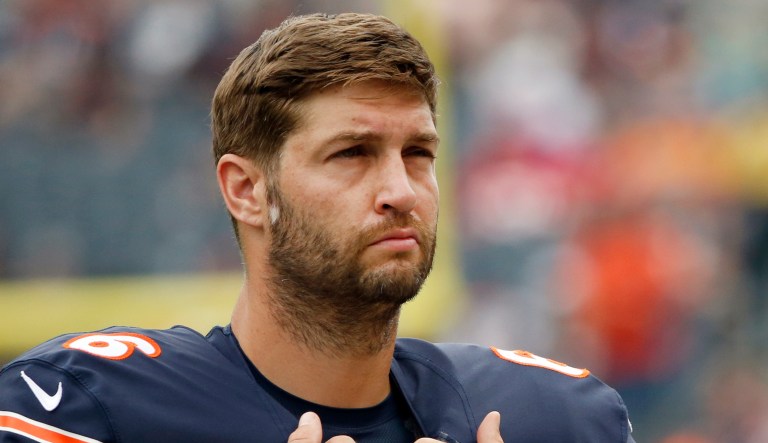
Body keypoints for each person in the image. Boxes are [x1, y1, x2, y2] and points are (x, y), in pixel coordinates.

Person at [0, 13, 634, 442]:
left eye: (418, 153)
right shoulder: (84, 406)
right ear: (247, 191)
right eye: (351, 154)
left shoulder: (553, 416)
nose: (399, 191)